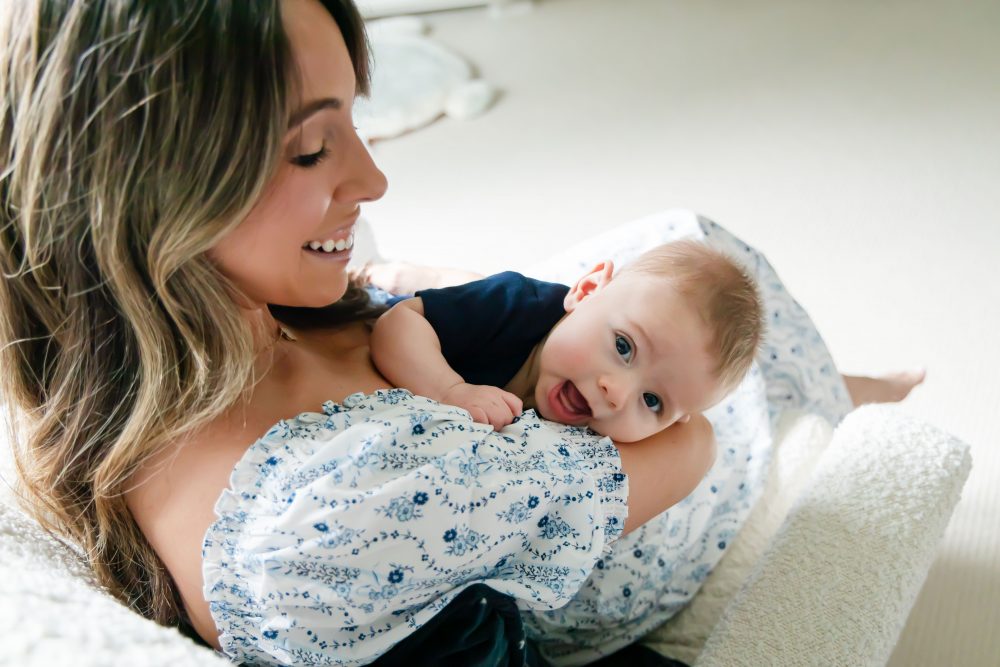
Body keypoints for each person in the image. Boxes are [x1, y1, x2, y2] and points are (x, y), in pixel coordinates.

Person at [0, 1, 923, 665]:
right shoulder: (338, 507)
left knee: (685, 252)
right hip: (624, 532)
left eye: (355, 124)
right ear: (147, 196)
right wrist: (656, 403)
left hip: (537, 404)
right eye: (313, 148)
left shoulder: (219, 328)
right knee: (712, 301)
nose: (372, 177)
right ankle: (826, 393)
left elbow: (410, 292)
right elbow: (688, 447)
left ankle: (829, 380)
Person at [371, 241, 765, 447]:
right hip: (398, 319)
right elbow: (398, 323)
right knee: (456, 294)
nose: (617, 394)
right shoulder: (514, 303)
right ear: (589, 289)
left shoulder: (597, 443)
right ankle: (400, 272)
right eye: (625, 347)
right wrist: (450, 390)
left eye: (652, 401)